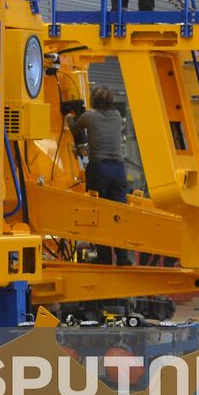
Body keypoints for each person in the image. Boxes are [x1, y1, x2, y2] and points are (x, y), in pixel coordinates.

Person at [70, 85, 132, 264]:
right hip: (118, 169)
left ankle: (104, 257)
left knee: (97, 213)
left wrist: (69, 115)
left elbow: (75, 128)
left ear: (93, 101)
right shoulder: (116, 116)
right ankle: (123, 258)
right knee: (118, 214)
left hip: (99, 169)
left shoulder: (89, 116)